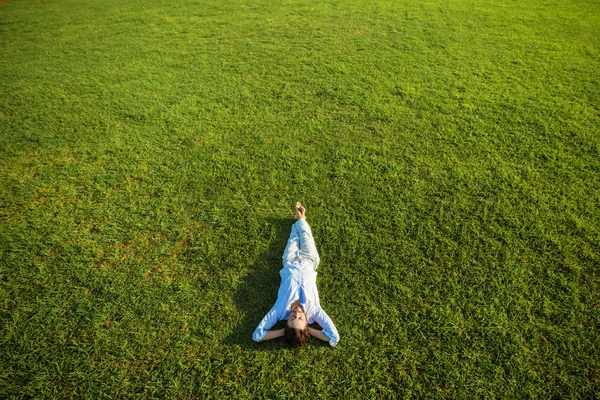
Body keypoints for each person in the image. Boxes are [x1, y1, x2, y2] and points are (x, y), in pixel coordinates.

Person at [252, 202, 340, 347]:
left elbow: (258, 335)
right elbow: (333, 337)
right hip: (309, 258)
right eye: (300, 318)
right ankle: (301, 218)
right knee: (305, 235)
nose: (297, 313)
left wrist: (285, 331)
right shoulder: (314, 310)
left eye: (293, 317)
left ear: (286, 322)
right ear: (306, 322)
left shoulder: (280, 309)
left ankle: (298, 218)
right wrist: (307, 329)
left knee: (293, 237)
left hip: (290, 260)